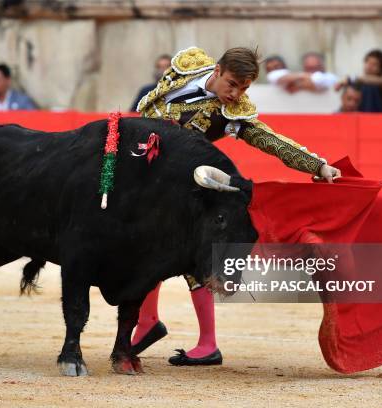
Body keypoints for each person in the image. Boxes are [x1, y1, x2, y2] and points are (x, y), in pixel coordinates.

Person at [134, 46, 341, 366]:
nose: (236, 94)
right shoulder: (187, 65)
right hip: (149, 181)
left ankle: (206, 342)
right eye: (232, 84)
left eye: (244, 88)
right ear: (216, 71)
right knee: (148, 251)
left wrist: (317, 165)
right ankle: (149, 322)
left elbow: (272, 141)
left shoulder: (233, 116)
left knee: (185, 259)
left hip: (185, 189)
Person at [268, 52, 338, 93]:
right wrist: (302, 76)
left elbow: (319, 80)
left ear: (322, 67)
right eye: (309, 68)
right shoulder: (297, 76)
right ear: (304, 67)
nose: (312, 72)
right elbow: (276, 78)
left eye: (315, 68)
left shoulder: (331, 77)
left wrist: (298, 85)